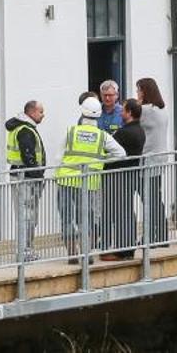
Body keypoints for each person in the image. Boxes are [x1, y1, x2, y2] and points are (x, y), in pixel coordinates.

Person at [54, 95, 122, 261]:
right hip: (89, 183)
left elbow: (57, 158)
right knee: (87, 219)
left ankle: (72, 255)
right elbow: (121, 154)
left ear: (82, 113)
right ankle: (87, 254)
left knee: (67, 219)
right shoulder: (102, 136)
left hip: (66, 181)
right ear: (99, 115)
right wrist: (102, 160)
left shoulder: (70, 132)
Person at [104, 99, 146, 259]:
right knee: (126, 211)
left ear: (129, 113)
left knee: (121, 212)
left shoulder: (125, 132)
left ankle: (124, 251)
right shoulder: (139, 130)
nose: (121, 113)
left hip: (120, 176)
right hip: (130, 175)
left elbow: (108, 149)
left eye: (123, 110)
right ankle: (126, 248)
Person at [4, 100, 47, 259]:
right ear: (32, 112)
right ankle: (25, 251)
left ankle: (26, 249)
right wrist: (38, 176)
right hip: (26, 178)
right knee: (27, 216)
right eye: (41, 112)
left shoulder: (22, 128)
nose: (43, 115)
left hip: (21, 176)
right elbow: (28, 156)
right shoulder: (25, 131)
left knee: (27, 215)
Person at [135, 77, 171, 246]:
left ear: (144, 91)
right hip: (159, 158)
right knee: (155, 197)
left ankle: (152, 235)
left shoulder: (147, 110)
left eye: (138, 90)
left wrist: (136, 102)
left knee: (149, 199)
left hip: (148, 160)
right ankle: (162, 234)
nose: (137, 94)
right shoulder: (161, 110)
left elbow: (130, 114)